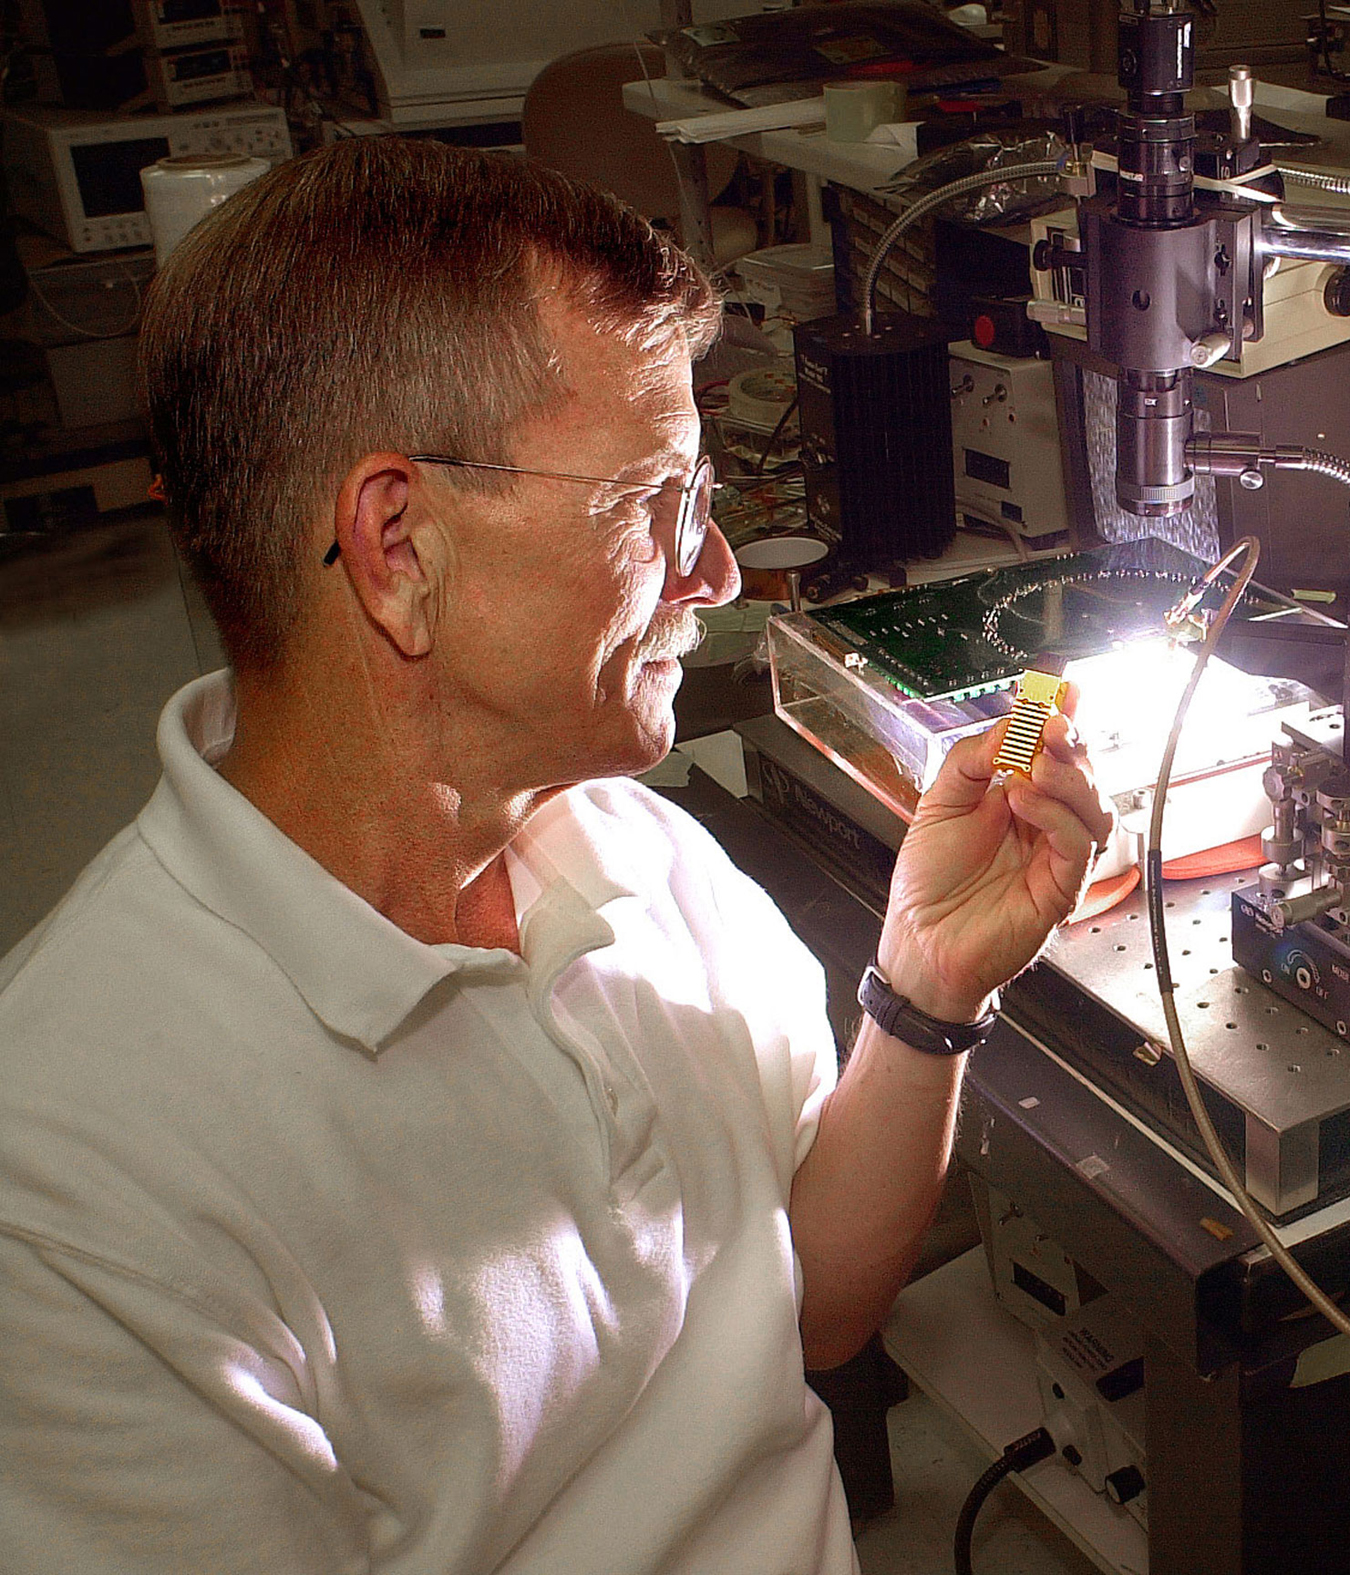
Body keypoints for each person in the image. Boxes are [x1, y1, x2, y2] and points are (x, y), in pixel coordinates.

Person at [0, 138, 1109, 1574]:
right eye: (657, 502)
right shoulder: (77, 1200)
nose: (715, 571)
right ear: (398, 548)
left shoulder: (641, 853)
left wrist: (924, 991)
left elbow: (814, 1312)